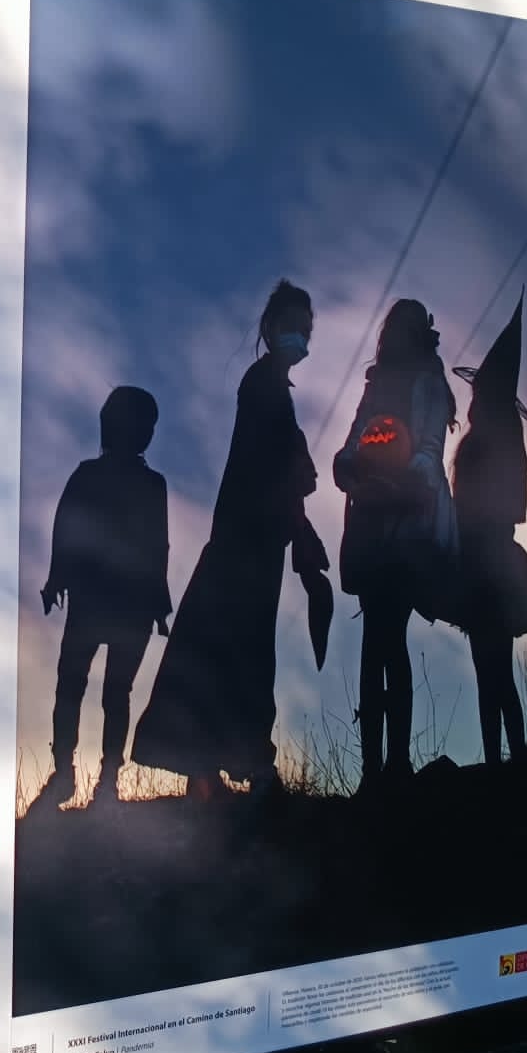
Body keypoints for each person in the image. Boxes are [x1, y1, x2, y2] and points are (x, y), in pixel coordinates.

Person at [132, 281, 327, 800]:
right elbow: (269, 465)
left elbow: (283, 466)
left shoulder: (271, 388)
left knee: (234, 646)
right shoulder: (261, 384)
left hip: (256, 537)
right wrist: (294, 516)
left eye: (306, 327)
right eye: (293, 324)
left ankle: (215, 764)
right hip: (246, 536)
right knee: (238, 648)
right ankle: (238, 766)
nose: (301, 335)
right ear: (270, 329)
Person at [333, 297, 458, 793]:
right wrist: (351, 467)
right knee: (374, 646)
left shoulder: (429, 383)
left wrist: (405, 481)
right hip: (370, 519)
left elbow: (429, 447)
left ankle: (398, 764)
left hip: (407, 525)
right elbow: (354, 442)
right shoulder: (375, 387)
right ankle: (371, 769)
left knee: (392, 641)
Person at [38, 386, 170, 807]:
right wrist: (56, 578)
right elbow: (69, 530)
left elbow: (155, 545)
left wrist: (158, 602)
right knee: (100, 689)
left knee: (84, 687)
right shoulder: (139, 482)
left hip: (107, 600)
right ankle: (86, 776)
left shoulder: (98, 477)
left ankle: (88, 776)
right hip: (111, 600)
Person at [452, 300, 527, 766]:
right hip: (500, 561)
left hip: (486, 563)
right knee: (498, 672)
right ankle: (507, 758)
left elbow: (475, 507)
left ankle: (502, 761)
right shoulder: (507, 440)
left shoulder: (486, 442)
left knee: (492, 672)